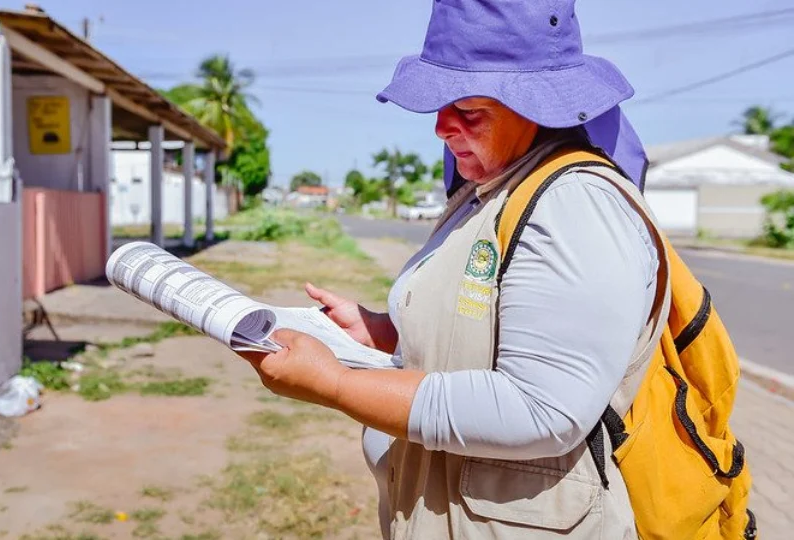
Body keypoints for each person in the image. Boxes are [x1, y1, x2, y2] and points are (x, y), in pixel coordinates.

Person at [238, 1, 666, 537]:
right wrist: (383, 334)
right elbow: (492, 329)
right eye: (441, 104)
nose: (442, 126)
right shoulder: (493, 189)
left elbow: (542, 409)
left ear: (537, 106)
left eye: (468, 107)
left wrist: (335, 383)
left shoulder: (577, 202)